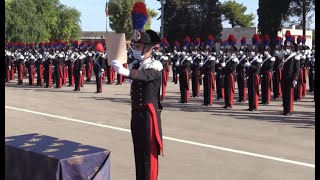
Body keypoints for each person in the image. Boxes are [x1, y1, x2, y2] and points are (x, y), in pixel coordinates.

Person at [111, 2, 163, 180]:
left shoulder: (155, 65)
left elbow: (144, 76)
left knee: (148, 156)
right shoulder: (137, 63)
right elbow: (133, 71)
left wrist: (124, 71)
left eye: (139, 47)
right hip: (136, 114)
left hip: (149, 115)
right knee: (138, 153)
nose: (135, 49)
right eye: (135, 46)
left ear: (149, 49)